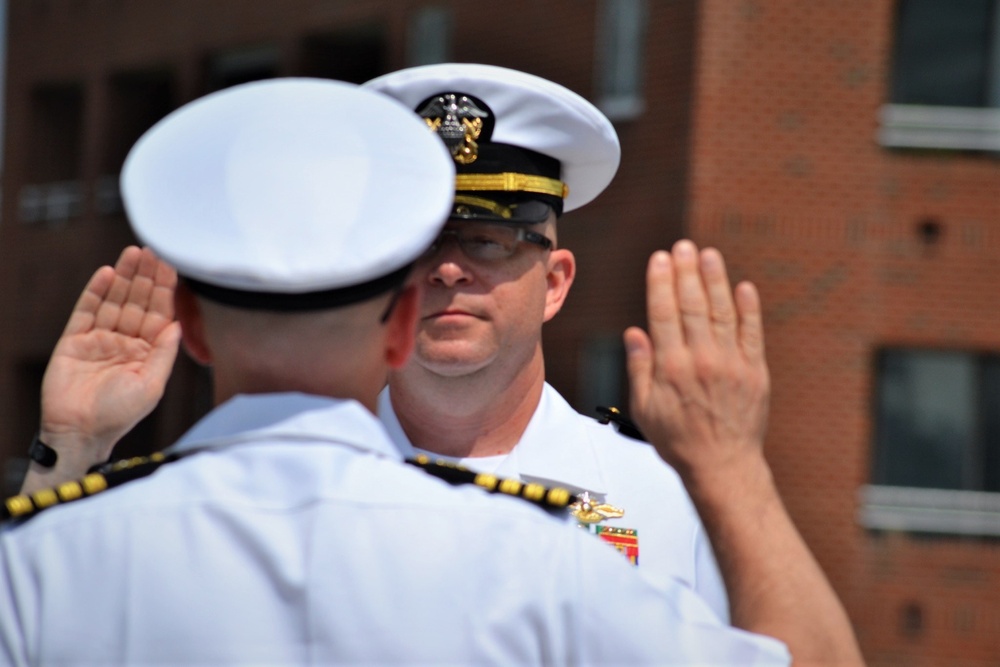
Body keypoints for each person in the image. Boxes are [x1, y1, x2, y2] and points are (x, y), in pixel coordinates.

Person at [0, 76, 864, 665]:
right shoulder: (541, 557)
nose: (450, 271)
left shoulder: (664, 495)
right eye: (421, 250)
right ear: (396, 303)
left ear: (556, 281)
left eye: (487, 242)